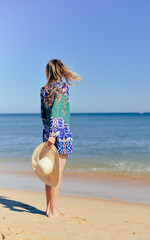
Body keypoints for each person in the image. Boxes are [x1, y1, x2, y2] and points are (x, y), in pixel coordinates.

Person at [40, 59, 81, 218]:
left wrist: (48, 132)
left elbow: (43, 114)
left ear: (48, 71)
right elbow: (57, 110)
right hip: (60, 132)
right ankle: (53, 211)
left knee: (50, 172)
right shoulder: (62, 86)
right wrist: (54, 134)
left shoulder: (44, 89)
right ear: (60, 70)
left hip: (48, 131)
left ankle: (49, 209)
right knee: (58, 173)